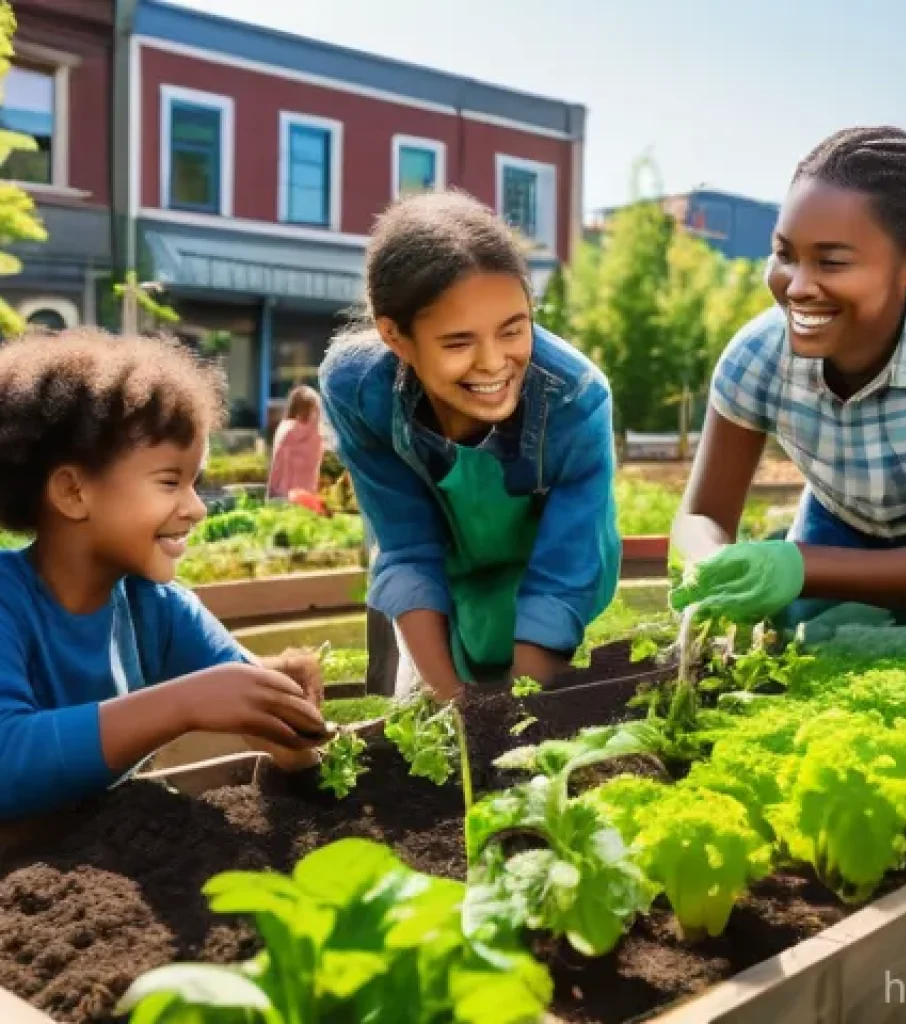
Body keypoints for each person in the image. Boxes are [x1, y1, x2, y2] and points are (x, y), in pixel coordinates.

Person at [671, 126, 906, 629]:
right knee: (801, 653)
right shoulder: (756, 358)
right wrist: (707, 558)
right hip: (842, 525)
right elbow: (700, 514)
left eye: (832, 262)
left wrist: (800, 567)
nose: (797, 287)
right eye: (785, 255)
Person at [0, 329, 328, 822]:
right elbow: (9, 760)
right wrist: (183, 703)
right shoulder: (7, 599)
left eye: (195, 482)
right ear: (72, 492)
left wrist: (283, 708)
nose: (196, 508)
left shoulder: (155, 606)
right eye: (170, 481)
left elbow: (241, 690)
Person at [320, 190, 620, 702]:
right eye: (458, 343)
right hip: (438, 586)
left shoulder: (574, 397)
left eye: (513, 330)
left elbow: (561, 576)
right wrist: (453, 701)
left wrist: (522, 715)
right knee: (433, 726)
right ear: (395, 337)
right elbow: (407, 547)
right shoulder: (358, 390)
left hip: (541, 582)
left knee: (534, 722)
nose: (493, 362)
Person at [267, 385, 325, 501]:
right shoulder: (316, 433)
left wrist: (271, 492)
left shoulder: (285, 428)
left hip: (284, 493)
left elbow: (277, 465)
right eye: (315, 409)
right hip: (304, 494)